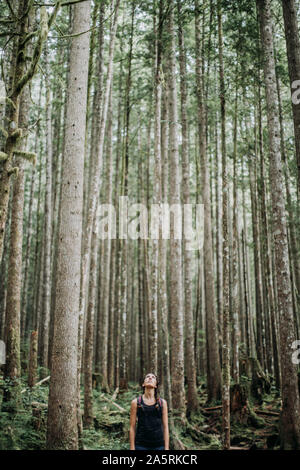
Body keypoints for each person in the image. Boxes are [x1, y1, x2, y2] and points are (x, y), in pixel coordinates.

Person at [129, 372, 169, 450]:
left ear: (156, 385)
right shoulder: (136, 402)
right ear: (143, 384)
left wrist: (166, 448)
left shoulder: (162, 403)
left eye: (153, 377)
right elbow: (132, 427)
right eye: (147, 377)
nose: (150, 378)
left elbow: (165, 427)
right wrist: (132, 448)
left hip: (159, 445)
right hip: (140, 445)